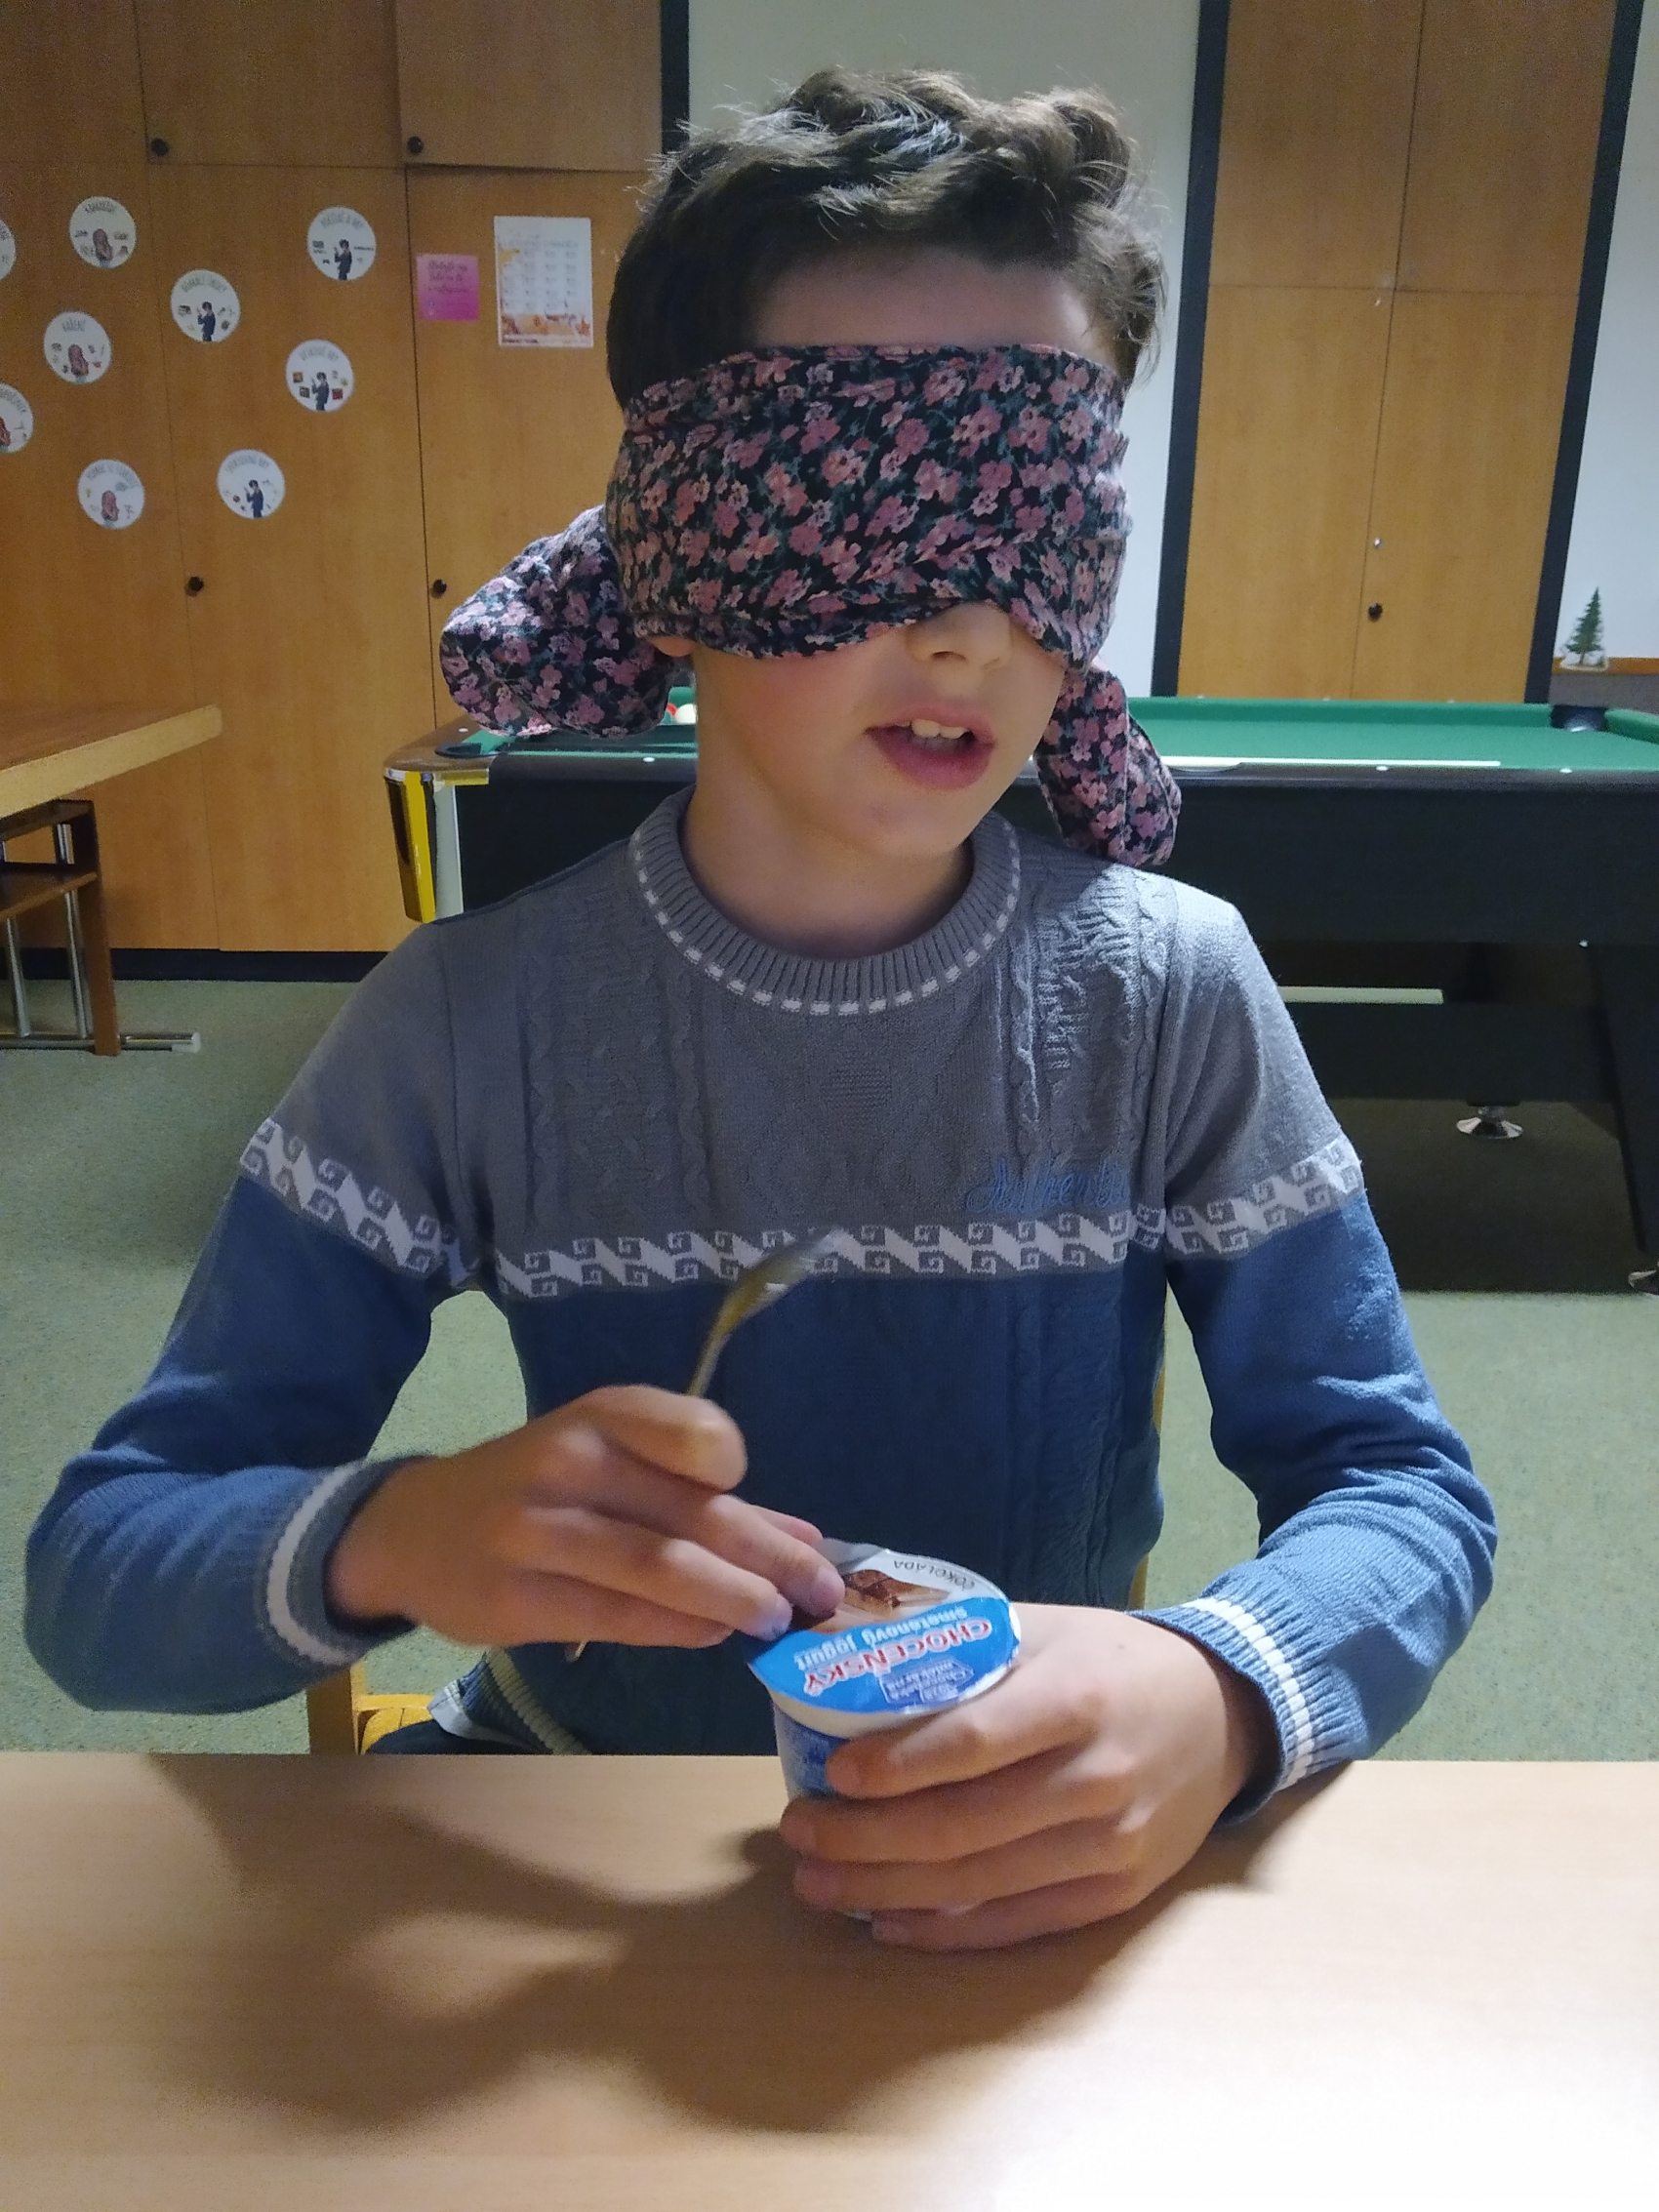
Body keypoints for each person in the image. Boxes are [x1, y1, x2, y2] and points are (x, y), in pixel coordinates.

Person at [27, 69, 1494, 1951]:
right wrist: (399, 1534)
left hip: (1023, 1864)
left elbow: (1401, 1489)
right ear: (682, 547)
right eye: (873, 512)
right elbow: (97, 1573)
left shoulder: (1172, 991)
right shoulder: (469, 1025)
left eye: (1034, 531)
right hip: (581, 1852)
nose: (967, 632)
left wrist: (1221, 1687)